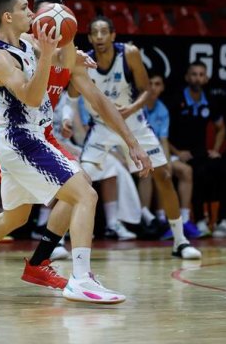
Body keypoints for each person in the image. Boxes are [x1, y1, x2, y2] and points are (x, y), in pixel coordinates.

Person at [0, 0, 151, 304]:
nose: (34, 16)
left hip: (34, 135)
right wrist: (47, 52)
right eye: (28, 10)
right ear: (12, 16)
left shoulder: (42, 45)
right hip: (19, 138)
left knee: (16, 217)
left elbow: (97, 99)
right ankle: (80, 279)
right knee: (85, 193)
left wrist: (132, 143)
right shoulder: (4, 52)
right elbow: (31, 94)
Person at [80, 16, 201, 259]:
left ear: (113, 35)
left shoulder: (130, 53)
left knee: (164, 176)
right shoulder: (84, 60)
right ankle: (58, 242)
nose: (100, 37)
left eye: (105, 32)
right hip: (102, 127)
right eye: (95, 33)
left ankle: (179, 240)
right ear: (91, 38)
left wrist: (130, 109)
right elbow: (73, 93)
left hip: (133, 123)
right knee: (78, 182)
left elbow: (147, 90)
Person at [168, 61, 226, 239]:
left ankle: (223, 222)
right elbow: (160, 130)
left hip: (201, 152)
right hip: (179, 153)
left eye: (201, 74)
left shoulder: (209, 100)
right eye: (194, 74)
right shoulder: (175, 99)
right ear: (187, 77)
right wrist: (177, 152)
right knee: (198, 173)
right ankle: (200, 221)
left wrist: (216, 149)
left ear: (206, 78)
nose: (197, 78)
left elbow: (221, 127)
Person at [138, 72, 202, 239]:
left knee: (185, 171)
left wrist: (166, 162)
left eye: (157, 84)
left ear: (162, 88)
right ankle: (159, 220)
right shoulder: (136, 106)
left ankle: (185, 219)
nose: (153, 88)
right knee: (154, 170)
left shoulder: (162, 109)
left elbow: (163, 140)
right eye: (150, 83)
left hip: (156, 151)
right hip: (136, 152)